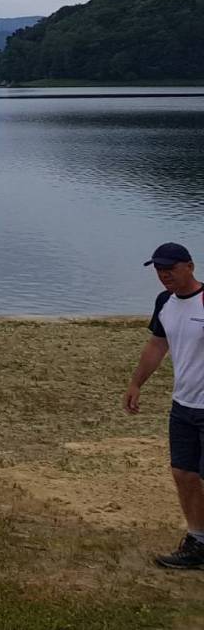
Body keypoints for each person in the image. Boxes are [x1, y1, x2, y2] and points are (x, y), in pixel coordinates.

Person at [125, 243, 204, 569]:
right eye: (159, 269)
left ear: (190, 266)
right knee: (183, 473)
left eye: (170, 268)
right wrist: (136, 383)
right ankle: (198, 542)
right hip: (183, 405)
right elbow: (157, 345)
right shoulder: (164, 302)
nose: (164, 274)